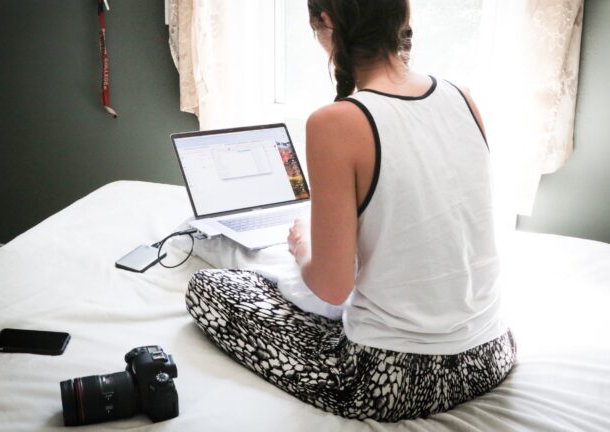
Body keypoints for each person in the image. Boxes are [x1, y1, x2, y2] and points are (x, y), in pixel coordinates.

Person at [186, 0, 516, 422]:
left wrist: (303, 248)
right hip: (492, 353)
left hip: (396, 378)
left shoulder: (336, 122)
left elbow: (332, 288)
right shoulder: (462, 95)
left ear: (326, 22)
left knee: (209, 288)